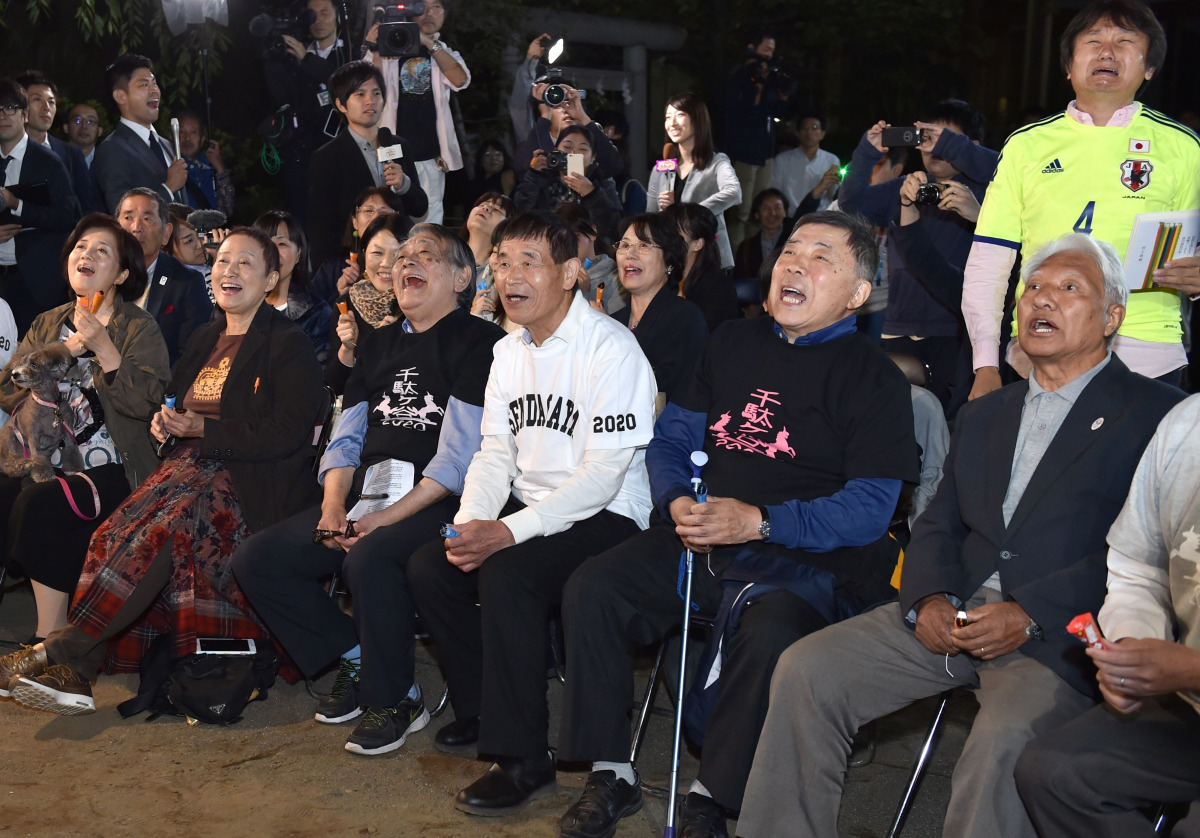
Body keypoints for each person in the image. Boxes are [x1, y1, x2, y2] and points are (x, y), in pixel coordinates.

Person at [736, 233, 1187, 838]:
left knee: (1003, 744)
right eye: (1032, 287)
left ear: (1112, 317)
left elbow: (1146, 557)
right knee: (807, 668)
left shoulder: (1159, 416)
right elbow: (938, 520)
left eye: (1068, 288)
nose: (1042, 300)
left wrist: (1029, 614)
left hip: (1058, 636)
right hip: (953, 613)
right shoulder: (985, 412)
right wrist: (927, 597)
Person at [555, 211, 917, 838]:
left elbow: (869, 508)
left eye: (822, 257)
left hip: (803, 559)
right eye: (791, 252)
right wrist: (675, 499)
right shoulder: (730, 341)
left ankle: (712, 795)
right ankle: (610, 770)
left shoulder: (874, 377)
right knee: (595, 586)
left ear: (858, 293)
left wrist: (760, 522)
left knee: (771, 629)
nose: (795, 265)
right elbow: (672, 438)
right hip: (702, 538)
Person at [0, 227, 327, 714]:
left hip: (246, 479)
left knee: (163, 533)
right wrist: (165, 424)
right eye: (222, 261)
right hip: (183, 470)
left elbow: (289, 433)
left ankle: (62, 655)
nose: (229, 271)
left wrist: (205, 430)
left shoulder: (287, 344)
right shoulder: (206, 338)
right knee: (112, 534)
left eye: (245, 263)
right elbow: (173, 404)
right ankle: (71, 666)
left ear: (270, 279)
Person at [406, 211, 657, 815]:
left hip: (609, 513)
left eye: (529, 262)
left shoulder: (611, 348)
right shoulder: (507, 351)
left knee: (509, 572)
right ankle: (485, 712)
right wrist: (470, 523)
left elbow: (602, 477)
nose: (510, 276)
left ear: (570, 273)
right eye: (501, 262)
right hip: (533, 507)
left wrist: (506, 532)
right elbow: (495, 453)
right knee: (430, 566)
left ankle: (522, 758)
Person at [233, 223, 504, 754]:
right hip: (365, 498)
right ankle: (357, 657)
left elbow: (457, 459)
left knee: (370, 557)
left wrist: (380, 521)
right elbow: (347, 436)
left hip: (440, 501)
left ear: (462, 277)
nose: (406, 263)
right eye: (401, 256)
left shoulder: (481, 342)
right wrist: (334, 506)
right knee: (259, 559)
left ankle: (394, 698)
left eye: (425, 254)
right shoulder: (378, 343)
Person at [964, 0, 1200, 400]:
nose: (1107, 52)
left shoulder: (1183, 147)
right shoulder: (1025, 146)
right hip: (1041, 353)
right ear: (1068, 66)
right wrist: (985, 364)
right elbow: (989, 262)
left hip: (1146, 357)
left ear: (1149, 67)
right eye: (1093, 41)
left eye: (1124, 41)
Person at [1015, 394, 1200, 837]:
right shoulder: (1187, 424)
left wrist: (1191, 669)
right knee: (1055, 772)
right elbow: (1140, 565)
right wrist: (1134, 647)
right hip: (1189, 702)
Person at [0, 214, 169, 647]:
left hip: (114, 465)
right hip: (42, 456)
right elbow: (7, 389)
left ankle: (49, 641)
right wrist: (65, 349)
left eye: (101, 250)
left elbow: (145, 404)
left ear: (122, 274)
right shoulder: (48, 322)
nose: (86, 254)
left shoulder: (138, 327)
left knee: (38, 504)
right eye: (80, 246)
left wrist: (106, 352)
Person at [839, 99, 998, 414]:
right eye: (928, 139)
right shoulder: (907, 187)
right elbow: (852, 202)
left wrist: (977, 211)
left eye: (945, 140)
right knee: (895, 419)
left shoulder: (989, 193)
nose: (934, 148)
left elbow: (1011, 166)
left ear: (971, 147)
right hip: (899, 326)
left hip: (956, 330)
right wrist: (867, 152)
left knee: (951, 421)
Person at [307, 60, 426, 270]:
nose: (370, 100)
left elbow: (419, 207)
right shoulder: (327, 157)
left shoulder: (398, 146)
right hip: (353, 263)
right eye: (360, 94)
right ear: (341, 104)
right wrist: (329, 276)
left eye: (376, 93)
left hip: (399, 260)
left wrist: (403, 185)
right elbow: (321, 228)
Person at [367, 0, 469, 224]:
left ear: (445, 14)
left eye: (437, 7)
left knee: (429, 224)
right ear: (412, 10)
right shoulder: (390, 44)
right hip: (390, 153)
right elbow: (368, 86)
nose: (429, 13)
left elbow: (460, 79)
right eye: (423, 7)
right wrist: (375, 48)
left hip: (430, 157)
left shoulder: (445, 52)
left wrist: (428, 43)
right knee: (387, 220)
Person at [259, 0, 352, 222]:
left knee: (340, 222)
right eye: (311, 15)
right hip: (302, 157)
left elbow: (346, 85)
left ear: (338, 16)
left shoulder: (349, 52)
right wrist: (273, 59)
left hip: (340, 154)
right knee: (300, 220)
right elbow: (280, 98)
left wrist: (307, 59)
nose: (318, 20)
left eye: (324, 13)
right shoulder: (293, 54)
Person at [0, 77, 78, 334]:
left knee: (38, 353)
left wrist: (17, 204)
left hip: (37, 282)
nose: (3, 115)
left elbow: (66, 217)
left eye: (10, 108)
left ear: (24, 114)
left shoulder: (48, 161)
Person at [612, 213, 707, 403]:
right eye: (625, 245)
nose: (630, 254)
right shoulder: (613, 322)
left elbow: (670, 389)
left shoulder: (685, 318)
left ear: (669, 261)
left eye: (644, 245)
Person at [115, 188, 213, 367]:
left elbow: (192, 356)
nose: (136, 227)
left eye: (147, 219)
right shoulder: (100, 274)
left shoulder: (186, 282)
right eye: (128, 217)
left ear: (166, 233)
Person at [647, 92, 742, 270]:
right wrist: (664, 212)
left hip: (708, 259)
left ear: (697, 119)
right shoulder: (662, 168)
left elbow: (733, 192)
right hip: (671, 260)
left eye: (680, 115)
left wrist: (690, 214)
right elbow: (650, 216)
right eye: (668, 117)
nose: (672, 123)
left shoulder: (716, 162)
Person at [91, 54, 188, 212]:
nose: (154, 91)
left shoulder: (166, 144)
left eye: (154, 83)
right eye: (144, 85)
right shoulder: (112, 148)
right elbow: (121, 210)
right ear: (121, 96)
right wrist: (168, 188)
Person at [326, 212, 408, 394]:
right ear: (364, 253)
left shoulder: (418, 307)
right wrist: (347, 349)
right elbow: (335, 386)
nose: (386, 263)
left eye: (398, 254)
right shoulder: (346, 304)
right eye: (377, 253)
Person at [724, 31, 790, 250]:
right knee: (741, 211)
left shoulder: (771, 77)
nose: (770, 54)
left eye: (772, 50)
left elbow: (779, 110)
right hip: (744, 152)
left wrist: (780, 90)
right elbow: (737, 111)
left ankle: (753, 257)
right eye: (766, 49)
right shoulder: (740, 76)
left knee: (758, 210)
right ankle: (734, 259)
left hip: (766, 152)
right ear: (752, 48)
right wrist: (757, 86)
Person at [14, 70, 103, 214]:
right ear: (20, 105)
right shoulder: (5, 150)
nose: (46, 107)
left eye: (51, 102)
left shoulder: (71, 155)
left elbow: (86, 209)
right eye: (37, 99)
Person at [513, 124, 622, 242]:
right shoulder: (543, 178)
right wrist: (533, 175)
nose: (573, 153)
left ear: (593, 157)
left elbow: (612, 227)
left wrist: (592, 193)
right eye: (567, 147)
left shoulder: (603, 182)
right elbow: (518, 217)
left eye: (582, 149)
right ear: (555, 151)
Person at [253, 210, 331, 366]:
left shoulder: (317, 313)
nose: (272, 252)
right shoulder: (235, 304)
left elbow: (319, 372)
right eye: (265, 243)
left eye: (282, 244)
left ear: (298, 255)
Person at [513, 78, 622, 180]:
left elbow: (613, 166)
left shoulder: (592, 142)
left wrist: (583, 117)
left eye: (570, 102)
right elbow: (523, 170)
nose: (566, 109)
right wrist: (545, 117)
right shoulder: (534, 143)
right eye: (557, 104)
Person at [309, 186, 401, 306]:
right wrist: (341, 296)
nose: (376, 218)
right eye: (369, 211)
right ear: (355, 222)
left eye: (384, 212)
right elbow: (310, 312)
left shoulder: (404, 262)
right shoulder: (334, 268)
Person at [667, 202, 743, 333]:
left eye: (675, 234)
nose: (665, 240)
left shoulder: (717, 287)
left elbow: (710, 335)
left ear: (698, 243)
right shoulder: (665, 276)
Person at [770, 113, 841, 216]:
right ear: (798, 133)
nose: (809, 132)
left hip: (821, 216)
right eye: (805, 128)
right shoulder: (783, 159)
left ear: (822, 134)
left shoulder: (832, 160)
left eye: (814, 128)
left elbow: (834, 194)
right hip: (790, 217)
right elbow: (775, 191)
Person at [462, 191, 513, 325]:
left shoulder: (502, 275)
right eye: (482, 205)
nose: (486, 208)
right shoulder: (445, 257)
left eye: (496, 209)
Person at [176, 111, 234, 218]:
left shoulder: (209, 170)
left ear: (202, 140)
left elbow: (227, 210)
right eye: (182, 132)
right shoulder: (167, 168)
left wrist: (220, 169)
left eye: (193, 132)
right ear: (173, 137)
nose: (187, 138)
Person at [734, 187, 789, 281]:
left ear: (785, 212)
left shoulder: (794, 243)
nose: (772, 213)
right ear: (757, 214)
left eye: (777, 207)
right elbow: (739, 282)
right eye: (766, 208)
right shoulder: (745, 248)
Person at [466, 138, 516, 206]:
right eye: (487, 154)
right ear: (481, 160)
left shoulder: (508, 176)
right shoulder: (473, 186)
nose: (494, 158)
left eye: (498, 154)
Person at [61, 102, 103, 168]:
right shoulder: (54, 160)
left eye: (90, 121)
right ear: (66, 128)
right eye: (78, 121)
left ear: (100, 131)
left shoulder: (108, 162)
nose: (84, 126)